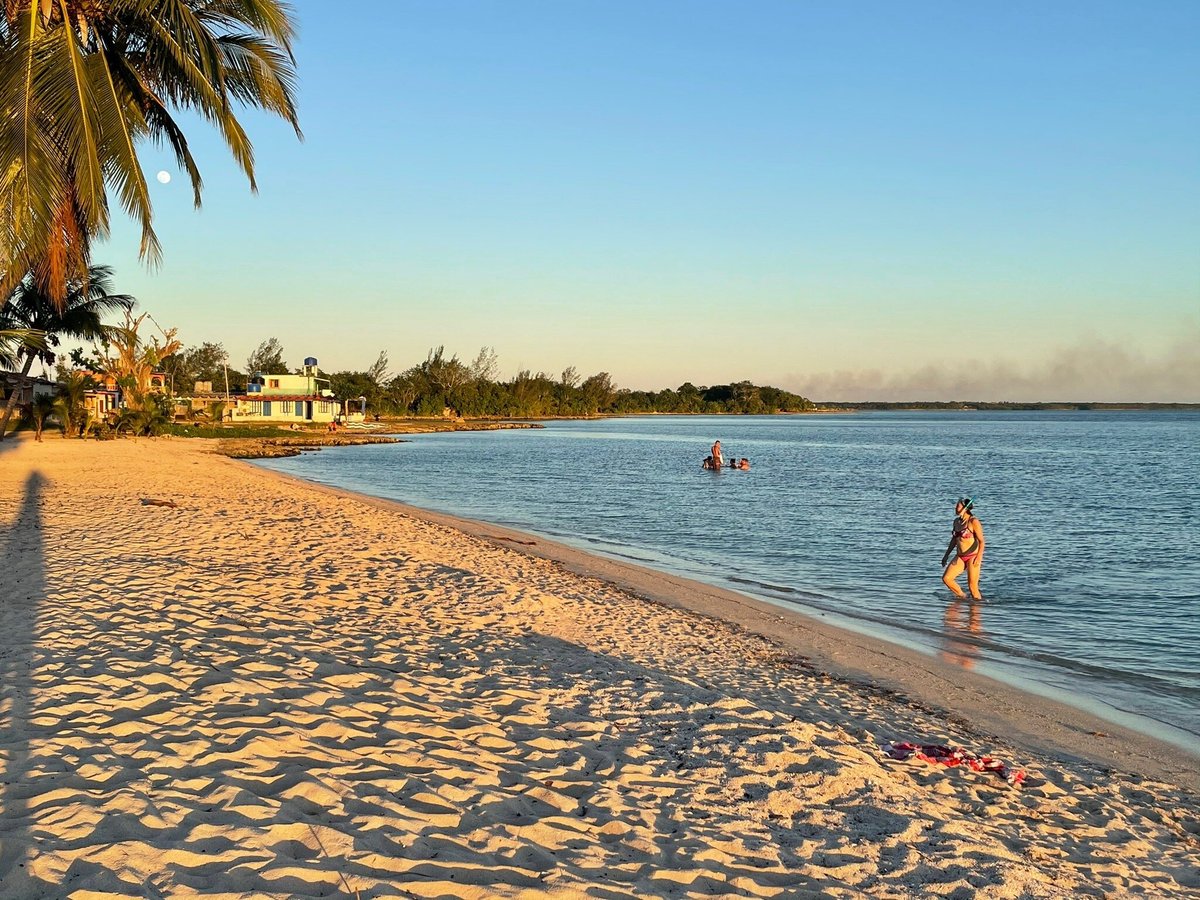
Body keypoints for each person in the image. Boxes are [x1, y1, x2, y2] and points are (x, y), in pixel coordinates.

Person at [941, 497, 984, 599]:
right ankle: (963, 597)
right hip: (960, 557)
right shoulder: (956, 522)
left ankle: (977, 608)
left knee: (972, 587)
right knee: (947, 579)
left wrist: (979, 557)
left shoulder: (973, 521)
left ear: (965, 508)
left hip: (972, 556)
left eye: (958, 506)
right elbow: (954, 540)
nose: (955, 508)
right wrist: (946, 555)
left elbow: (982, 541)